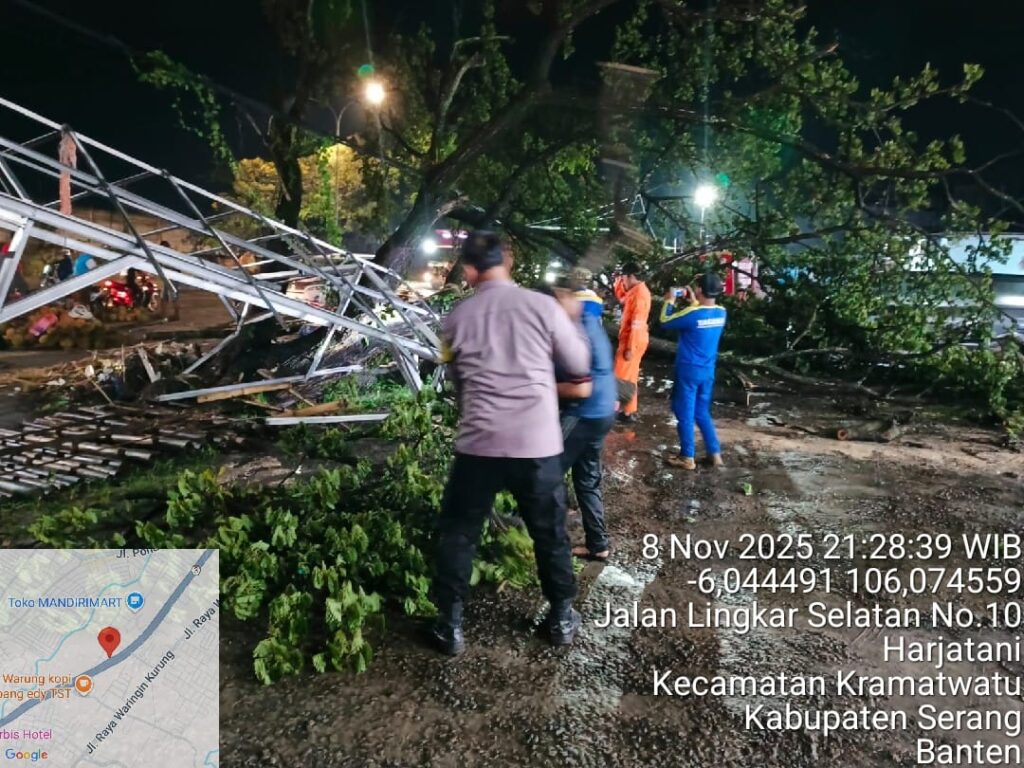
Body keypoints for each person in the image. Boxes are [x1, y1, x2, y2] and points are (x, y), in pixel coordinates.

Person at [432, 231, 591, 656]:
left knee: (459, 535)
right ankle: (560, 617)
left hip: (478, 446)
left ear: (468, 270)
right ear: (508, 261)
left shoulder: (455, 318)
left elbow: (454, 378)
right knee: (550, 534)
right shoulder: (543, 307)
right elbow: (579, 365)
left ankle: (449, 627)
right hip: (536, 445)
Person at [556, 267, 617, 562]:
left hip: (584, 412)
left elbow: (577, 387)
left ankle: (534, 537)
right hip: (604, 411)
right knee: (587, 477)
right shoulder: (596, 324)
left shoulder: (576, 331)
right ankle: (598, 544)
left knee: (543, 470)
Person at [660, 273, 728, 470]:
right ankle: (715, 453)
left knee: (685, 412)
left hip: (688, 370)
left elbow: (665, 321)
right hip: (708, 370)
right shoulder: (721, 312)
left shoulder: (692, 314)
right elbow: (703, 315)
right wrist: (693, 303)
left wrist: (670, 301)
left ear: (699, 290)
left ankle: (687, 456)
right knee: (702, 412)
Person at [612, 262, 651, 423]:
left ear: (631, 276)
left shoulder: (640, 294)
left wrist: (630, 347)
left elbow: (637, 322)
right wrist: (617, 282)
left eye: (624, 278)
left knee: (620, 377)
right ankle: (627, 411)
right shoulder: (635, 291)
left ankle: (618, 410)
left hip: (633, 340)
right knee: (629, 376)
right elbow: (621, 298)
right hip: (633, 339)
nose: (624, 282)